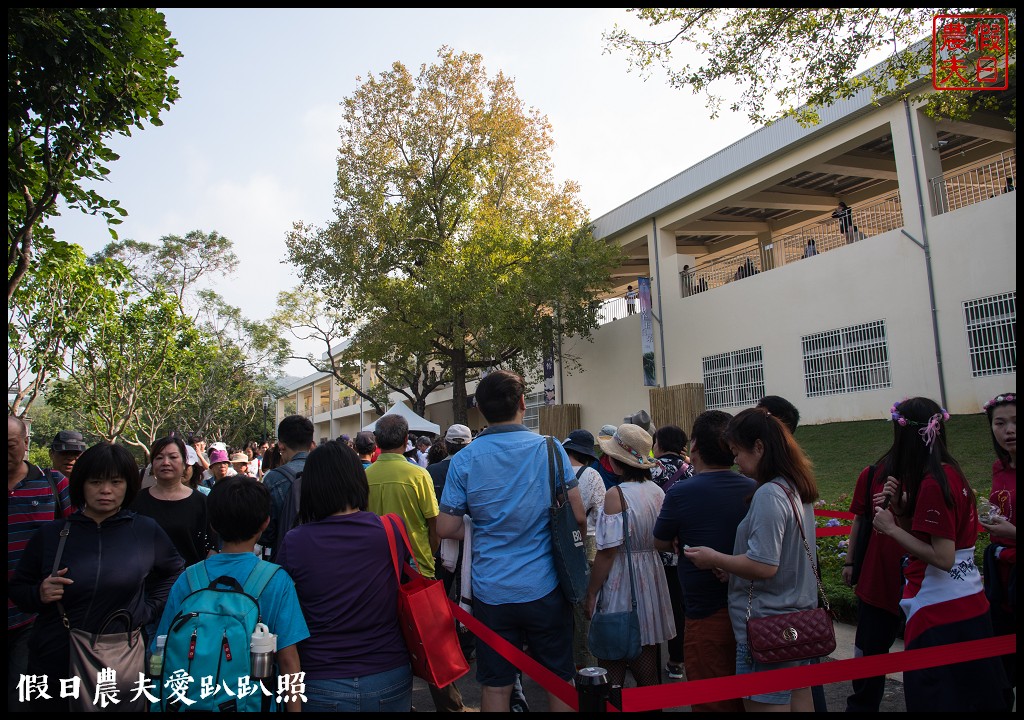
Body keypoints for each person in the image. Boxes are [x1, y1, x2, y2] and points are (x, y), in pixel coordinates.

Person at [437, 370, 585, 712]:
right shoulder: (551, 450)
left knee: (496, 685)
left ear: (481, 409)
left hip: (491, 591)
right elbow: (577, 515)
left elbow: (446, 527)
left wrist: (478, 527)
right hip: (546, 587)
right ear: (522, 403)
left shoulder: (464, 460)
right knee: (558, 679)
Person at [10, 442, 183, 712]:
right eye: (95, 482)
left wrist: (147, 609)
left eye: (116, 482)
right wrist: (39, 593)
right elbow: (19, 588)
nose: (105, 490)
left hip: (120, 661)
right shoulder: (52, 535)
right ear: (81, 485)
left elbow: (174, 571)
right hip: (56, 662)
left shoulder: (145, 531)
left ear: (128, 485)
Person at [871, 397, 1008, 711]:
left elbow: (943, 557)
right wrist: (904, 507)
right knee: (974, 693)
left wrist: (891, 528)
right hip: (968, 598)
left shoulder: (934, 483)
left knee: (937, 695)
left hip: (939, 608)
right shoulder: (950, 472)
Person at [684, 407, 820, 711]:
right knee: (800, 698)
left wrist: (714, 558)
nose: (735, 461)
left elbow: (764, 565)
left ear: (759, 447)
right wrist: (734, 570)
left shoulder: (769, 494)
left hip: (769, 626)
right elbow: (782, 559)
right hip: (797, 620)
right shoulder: (793, 487)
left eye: (737, 451)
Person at [153, 475, 307, 713]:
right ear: (265, 523)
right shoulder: (276, 581)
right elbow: (288, 660)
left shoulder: (190, 578)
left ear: (213, 524)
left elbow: (160, 650)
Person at [278, 441, 412, 711]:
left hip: (320, 679)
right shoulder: (391, 530)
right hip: (389, 671)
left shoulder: (295, 542)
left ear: (312, 487)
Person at [654, 410, 752, 711]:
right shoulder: (753, 488)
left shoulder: (682, 493)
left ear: (694, 445)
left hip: (705, 611)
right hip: (752, 609)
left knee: (710, 700)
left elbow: (659, 541)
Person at [367, 414, 463, 711]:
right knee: (431, 644)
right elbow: (434, 523)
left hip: (375, 572)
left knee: (386, 643)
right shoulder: (417, 475)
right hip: (418, 569)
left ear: (377, 440)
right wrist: (431, 556)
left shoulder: (364, 476)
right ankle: (450, 706)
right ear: (406, 438)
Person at [586, 424, 675, 688]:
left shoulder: (617, 495)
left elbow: (607, 552)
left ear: (616, 461)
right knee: (647, 651)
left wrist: (591, 592)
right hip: (651, 572)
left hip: (623, 577)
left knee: (612, 656)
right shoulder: (657, 491)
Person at [7, 417, 74, 711]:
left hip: (33, 615)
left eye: (10, 444)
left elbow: (75, 537)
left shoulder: (54, 485)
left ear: (25, 444)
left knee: (22, 696)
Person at [841, 441, 909, 711]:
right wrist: (850, 561)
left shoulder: (932, 478)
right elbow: (859, 520)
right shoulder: (872, 475)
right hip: (876, 579)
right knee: (868, 655)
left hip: (919, 582)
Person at [979, 392, 1016, 712]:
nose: (1009, 430)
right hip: (1002, 578)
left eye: (1015, 422)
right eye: (1000, 423)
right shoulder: (999, 467)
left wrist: (1012, 533)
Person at [131, 435, 217, 568]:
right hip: (147, 584)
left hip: (191, 582)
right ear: (152, 464)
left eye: (173, 457)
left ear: (184, 463)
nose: (165, 462)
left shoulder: (201, 502)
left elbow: (212, 546)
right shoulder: (136, 501)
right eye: (159, 458)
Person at [648, 424, 691, 680]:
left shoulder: (652, 470)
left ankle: (648, 664)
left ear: (659, 444)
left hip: (657, 548)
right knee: (679, 605)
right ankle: (677, 660)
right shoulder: (693, 469)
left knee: (653, 604)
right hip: (685, 550)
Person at [562, 428, 606, 669]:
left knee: (562, 604)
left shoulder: (555, 473)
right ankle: (585, 662)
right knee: (585, 607)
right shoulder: (592, 475)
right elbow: (600, 516)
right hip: (588, 543)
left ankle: (560, 661)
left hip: (559, 542)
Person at [260, 415, 314, 562]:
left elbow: (266, 533)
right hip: (326, 559)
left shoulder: (274, 478)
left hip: (287, 560)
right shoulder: (330, 472)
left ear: (281, 445)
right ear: (311, 444)